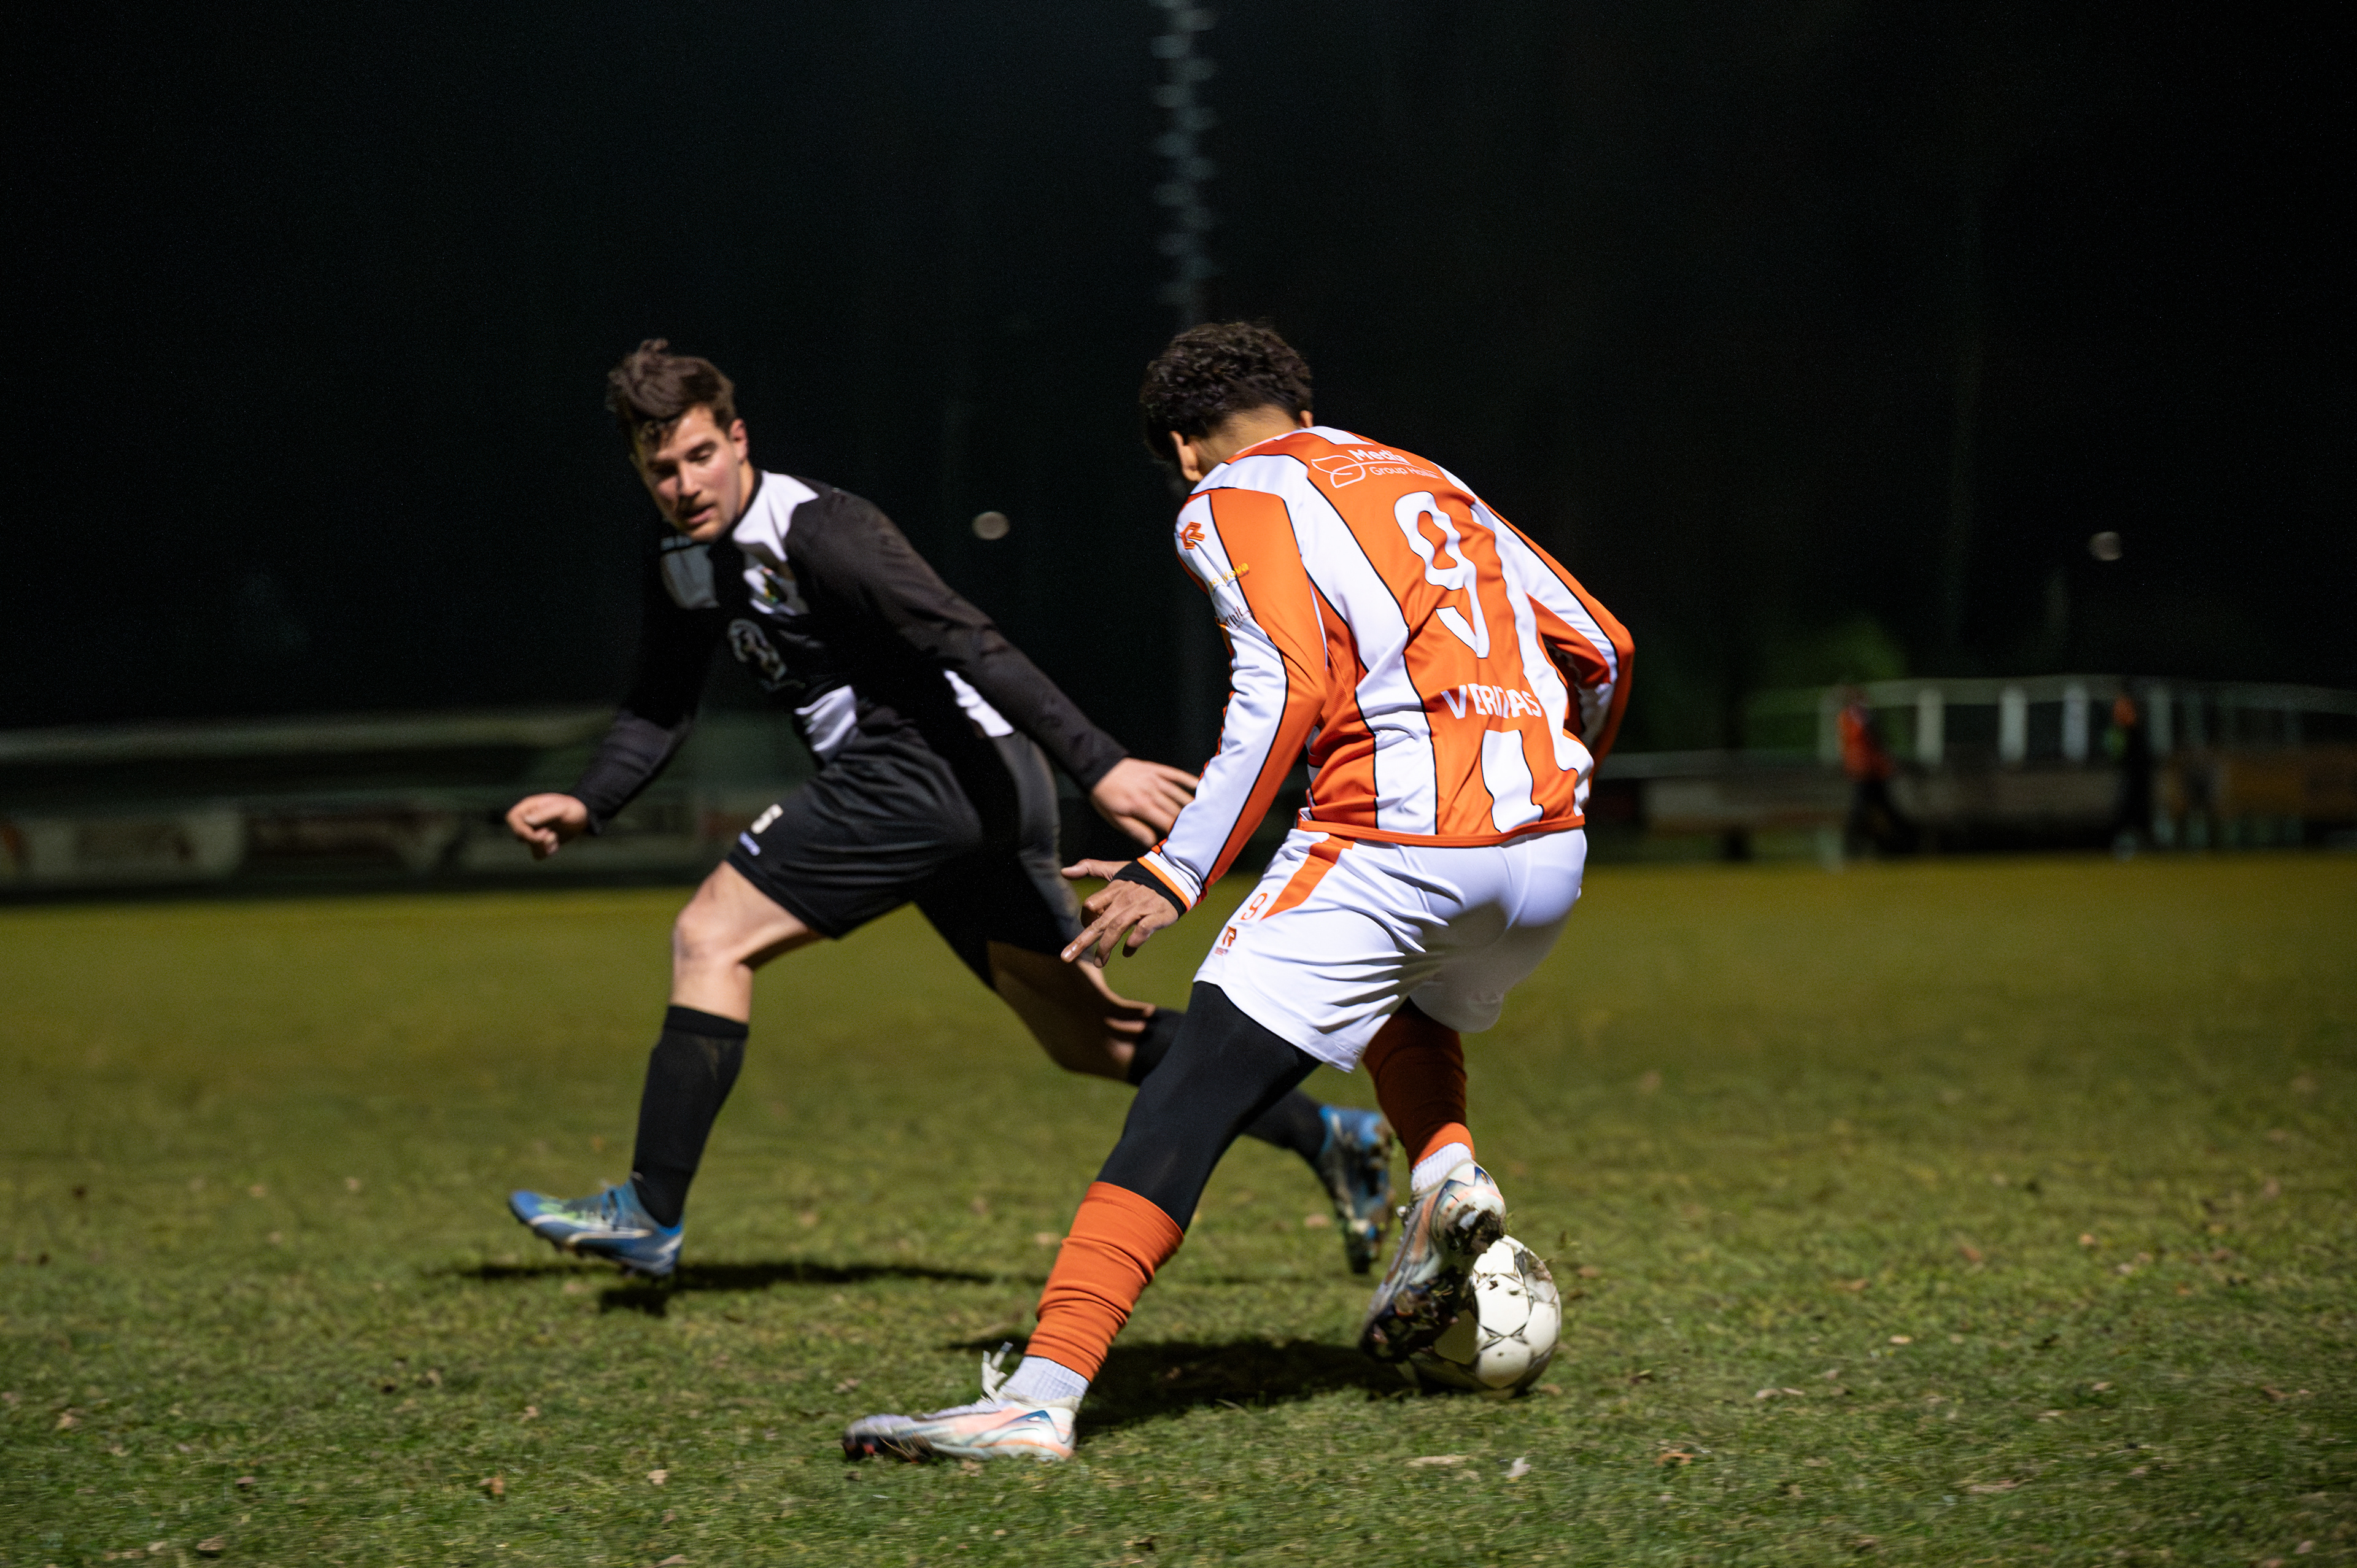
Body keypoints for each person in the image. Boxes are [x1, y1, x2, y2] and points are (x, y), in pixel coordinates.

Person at [844, 321, 1633, 1462]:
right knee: (1405, 992)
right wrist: (1549, 793)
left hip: (1397, 839)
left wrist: (1174, 870)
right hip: (1546, 855)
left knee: (1189, 1093)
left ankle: (1039, 1399)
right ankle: (1446, 1175)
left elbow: (1287, 683)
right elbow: (1604, 647)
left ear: (1182, 446)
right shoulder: (1428, 478)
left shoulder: (1232, 493)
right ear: (1301, 408)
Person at [502, 340, 1395, 1280]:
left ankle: (650, 1210)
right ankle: (1330, 1135)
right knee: (1087, 1035)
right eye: (662, 470)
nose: (686, 485)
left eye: (699, 456)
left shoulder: (821, 529)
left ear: (738, 438)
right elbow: (660, 701)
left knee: (709, 935)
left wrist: (1100, 764)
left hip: (927, 769)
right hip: (964, 789)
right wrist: (589, 799)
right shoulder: (681, 556)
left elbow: (968, 637)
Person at [1837, 685, 1911, 856]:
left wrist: (1885, 763)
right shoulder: (1849, 718)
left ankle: (1901, 843)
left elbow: (1876, 744)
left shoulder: (1866, 717)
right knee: (1867, 809)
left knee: (1878, 808)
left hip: (1873, 771)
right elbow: (1849, 744)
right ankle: (1860, 848)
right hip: (1862, 770)